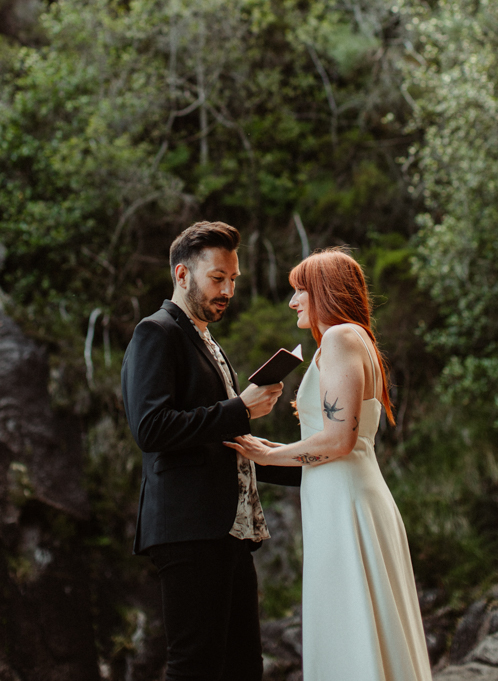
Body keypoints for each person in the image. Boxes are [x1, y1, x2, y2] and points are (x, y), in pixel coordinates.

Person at [226, 248, 432, 681]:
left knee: (350, 619)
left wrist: (267, 455)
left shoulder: (340, 338)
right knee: (356, 617)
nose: (293, 301)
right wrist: (273, 446)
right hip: (341, 493)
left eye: (301, 290)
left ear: (326, 292)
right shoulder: (352, 340)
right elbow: (336, 437)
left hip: (345, 499)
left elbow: (339, 440)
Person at [121, 220, 291, 681]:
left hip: (230, 532)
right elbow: (150, 429)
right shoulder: (156, 332)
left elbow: (222, 443)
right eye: (218, 278)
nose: (228, 290)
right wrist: (240, 408)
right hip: (188, 527)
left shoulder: (204, 340)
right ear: (181, 275)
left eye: (233, 279)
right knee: (194, 668)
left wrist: (306, 463)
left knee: (243, 669)